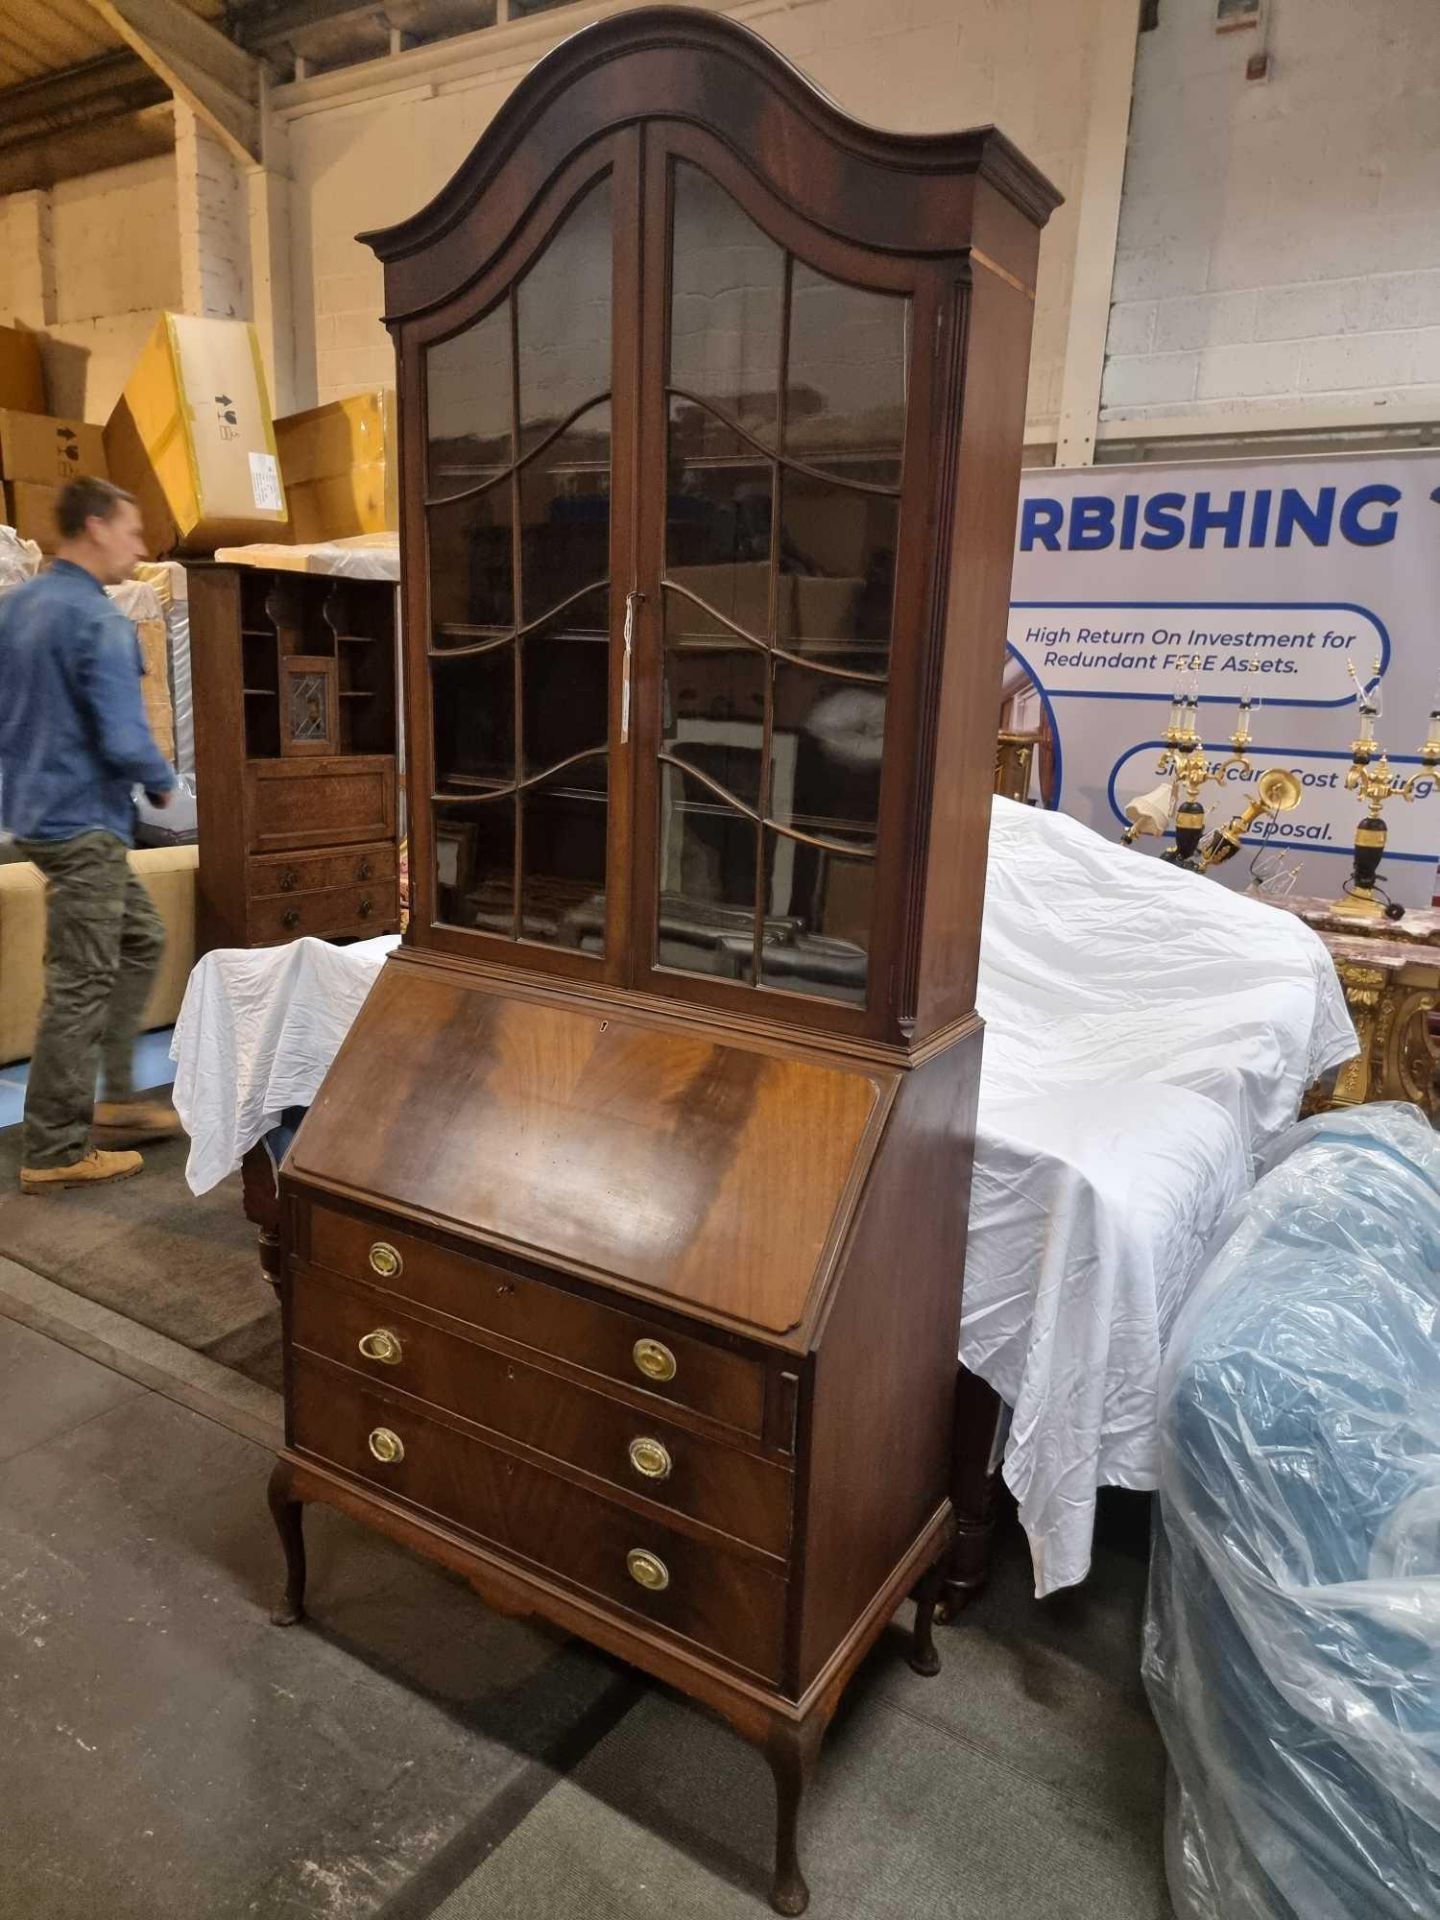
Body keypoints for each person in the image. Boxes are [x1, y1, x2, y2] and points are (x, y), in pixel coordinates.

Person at [0, 476, 180, 1193]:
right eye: (133, 532)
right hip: (84, 826)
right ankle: (54, 1148)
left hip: (35, 818)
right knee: (80, 983)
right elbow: (122, 731)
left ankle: (117, 1097)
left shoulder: (16, 610)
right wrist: (162, 778)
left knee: (141, 938)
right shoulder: (98, 620)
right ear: (97, 527)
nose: (139, 548)